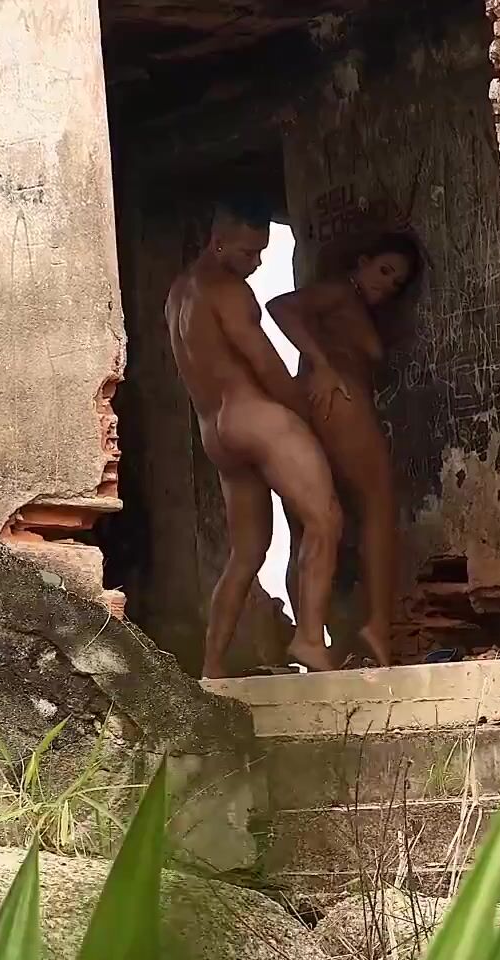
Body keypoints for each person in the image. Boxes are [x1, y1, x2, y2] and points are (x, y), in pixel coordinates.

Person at [165, 197, 343, 677]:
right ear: (217, 242)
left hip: (216, 432)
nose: (257, 263)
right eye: (248, 252)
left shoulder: (178, 294)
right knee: (325, 518)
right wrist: (308, 413)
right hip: (255, 420)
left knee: (246, 553)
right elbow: (266, 363)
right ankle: (310, 639)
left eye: (262, 252)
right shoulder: (228, 291)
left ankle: (213, 666)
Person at [267, 231, 421, 668]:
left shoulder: (352, 305)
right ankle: (377, 626)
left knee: (317, 522)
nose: (385, 285)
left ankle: (316, 634)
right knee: (379, 507)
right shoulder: (340, 291)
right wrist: (322, 364)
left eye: (395, 282)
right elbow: (280, 307)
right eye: (383, 271)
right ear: (361, 260)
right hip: (341, 401)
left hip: (326, 403)